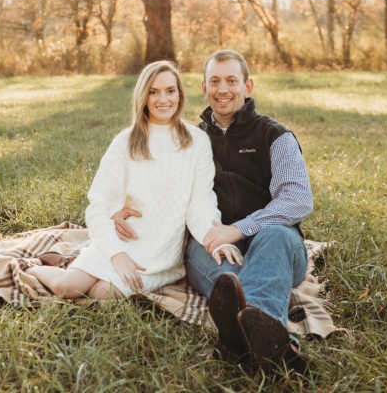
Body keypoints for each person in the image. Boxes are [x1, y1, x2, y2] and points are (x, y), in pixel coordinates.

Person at [114, 50, 313, 369]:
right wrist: (121, 206)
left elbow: (297, 199)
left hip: (274, 244)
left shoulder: (275, 136)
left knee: (275, 235)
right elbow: (159, 188)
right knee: (226, 282)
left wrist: (237, 230)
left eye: (231, 81)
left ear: (248, 86)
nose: (223, 90)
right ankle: (264, 341)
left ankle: (249, 331)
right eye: (215, 82)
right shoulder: (188, 141)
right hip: (213, 243)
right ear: (204, 89)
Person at [28, 60, 241, 300]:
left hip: (159, 253)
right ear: (143, 97)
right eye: (154, 92)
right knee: (67, 288)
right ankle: (33, 266)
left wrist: (216, 240)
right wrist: (116, 254)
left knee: (102, 294)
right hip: (121, 241)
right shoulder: (126, 141)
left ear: (179, 95)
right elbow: (98, 205)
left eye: (170, 91)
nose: (163, 100)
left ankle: (71, 263)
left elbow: (200, 204)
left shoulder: (196, 141)